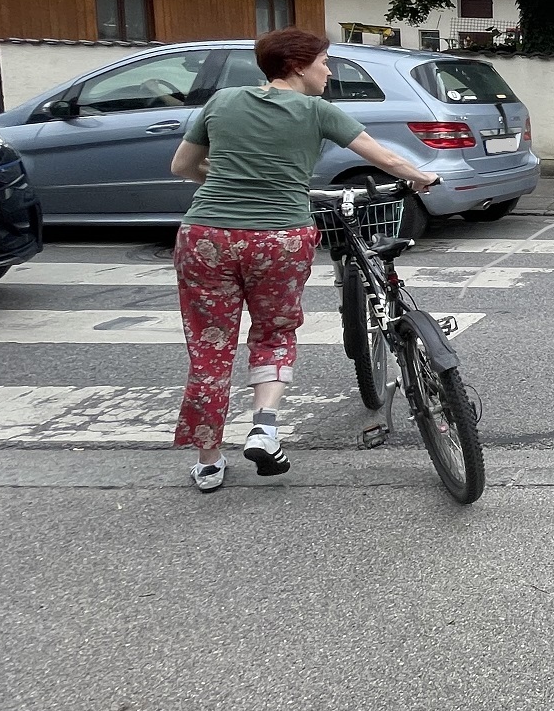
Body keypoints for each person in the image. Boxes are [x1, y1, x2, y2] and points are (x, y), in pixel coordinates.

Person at [168, 29, 438, 492]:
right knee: (274, 332)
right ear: (297, 65)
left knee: (210, 347)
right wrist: (423, 177)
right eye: (324, 62)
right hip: (279, 238)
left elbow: (183, 168)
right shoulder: (316, 111)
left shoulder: (223, 102)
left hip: (205, 235)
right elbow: (384, 158)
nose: (328, 71)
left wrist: (235, 175)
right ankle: (264, 429)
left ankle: (209, 461)